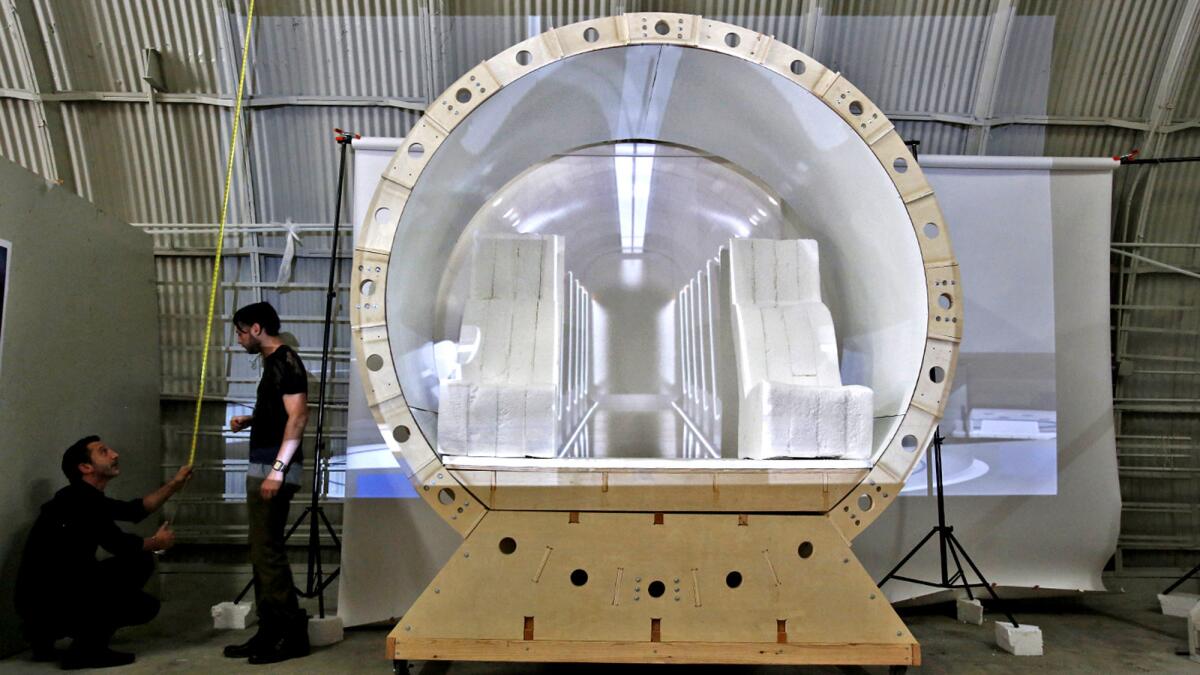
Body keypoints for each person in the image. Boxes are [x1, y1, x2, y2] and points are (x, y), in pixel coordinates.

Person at [15, 436, 192, 670]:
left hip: (40, 602)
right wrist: (157, 542)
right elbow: (120, 544)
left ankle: (44, 639)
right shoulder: (82, 501)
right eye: (104, 451)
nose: (115, 454)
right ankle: (85, 651)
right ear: (86, 467)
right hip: (52, 602)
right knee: (143, 602)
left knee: (128, 563)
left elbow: (134, 510)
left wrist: (174, 485)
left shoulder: (78, 497)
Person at [223, 301, 311, 664]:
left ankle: (290, 634)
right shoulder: (274, 365)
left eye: (241, 331)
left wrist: (277, 470)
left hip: (273, 468)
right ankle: (269, 631)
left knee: (268, 551)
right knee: (261, 552)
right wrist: (251, 419)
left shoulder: (286, 362)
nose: (240, 339)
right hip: (262, 463)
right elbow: (279, 411)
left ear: (256, 328)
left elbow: (298, 418)